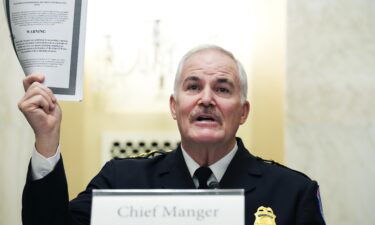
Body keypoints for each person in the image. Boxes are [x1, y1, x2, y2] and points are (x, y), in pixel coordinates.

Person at [19, 45, 326, 225]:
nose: (206, 99)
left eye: (222, 88)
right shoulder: (122, 181)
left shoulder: (293, 193)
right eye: (193, 87)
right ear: (175, 107)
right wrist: (46, 139)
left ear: (243, 111)